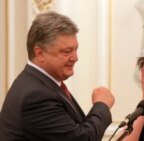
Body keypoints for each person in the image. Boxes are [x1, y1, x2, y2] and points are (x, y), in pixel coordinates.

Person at [0, 11, 115, 141]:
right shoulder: (35, 96)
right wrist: (101, 105)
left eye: (75, 49)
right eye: (67, 51)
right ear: (40, 53)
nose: (75, 58)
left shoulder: (41, 84)